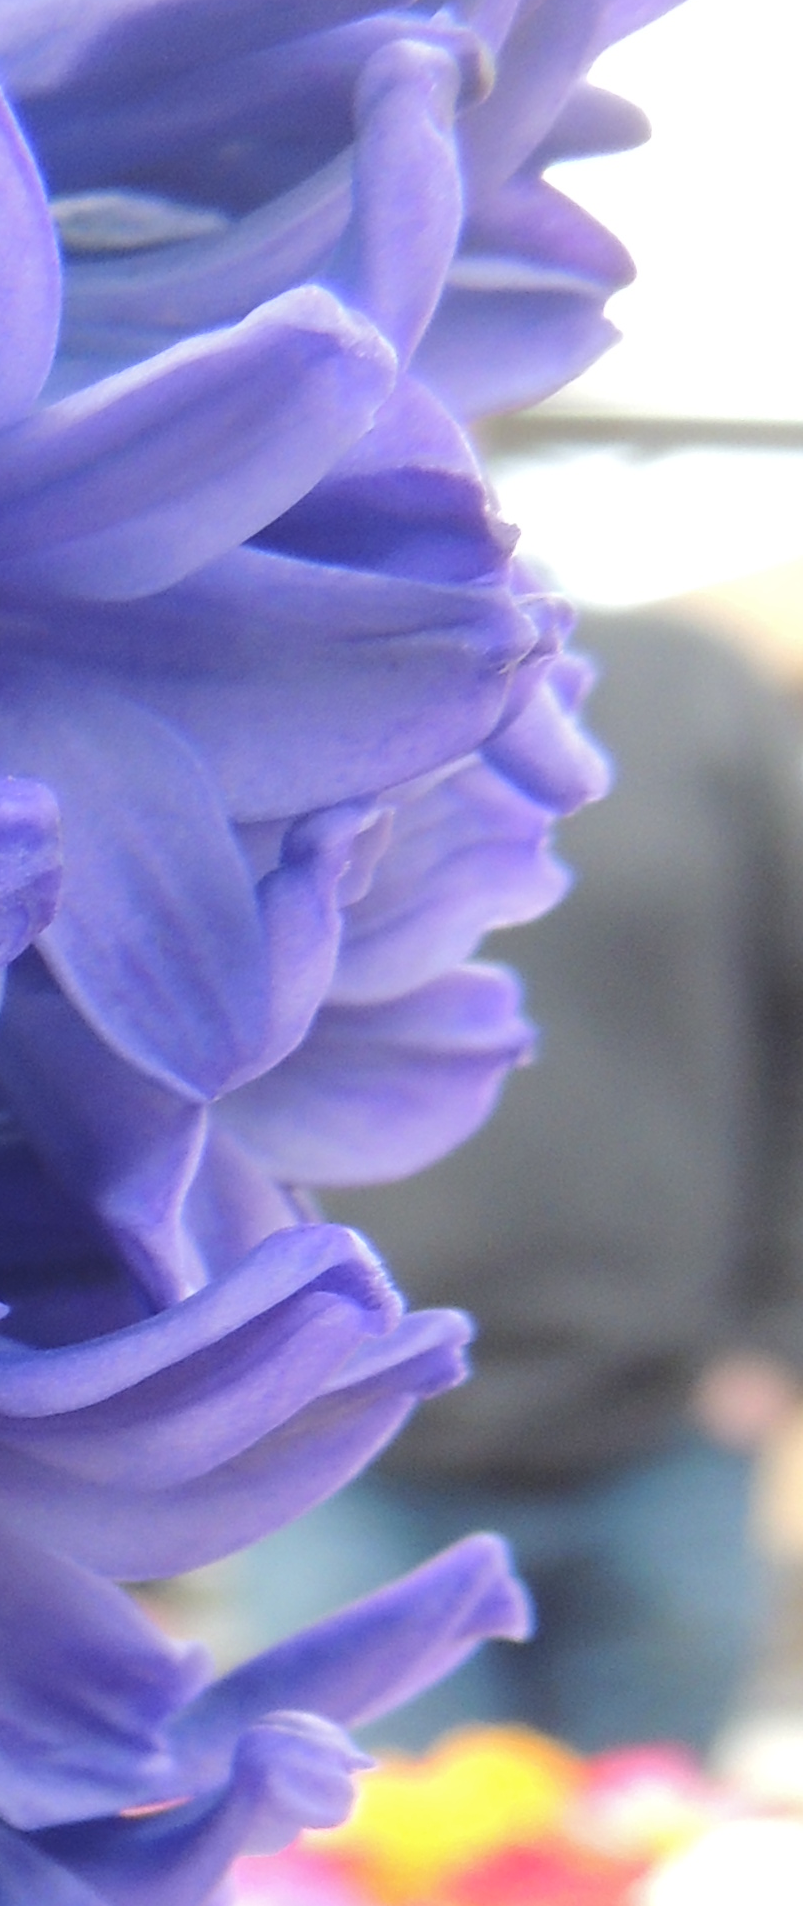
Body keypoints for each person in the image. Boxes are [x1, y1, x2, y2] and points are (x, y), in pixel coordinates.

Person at [235, 604, 803, 1757]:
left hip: (666, 1432)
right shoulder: (254, 673)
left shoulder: (696, 693)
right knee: (381, 1857)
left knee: (643, 1854)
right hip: (342, 1446)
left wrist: (776, 1337)